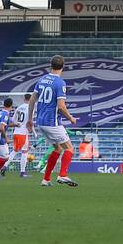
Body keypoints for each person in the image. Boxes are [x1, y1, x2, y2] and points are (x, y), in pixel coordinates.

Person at [31, 55, 79, 188]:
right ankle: (62, 175)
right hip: (52, 122)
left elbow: (32, 100)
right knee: (69, 148)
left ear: (50, 65)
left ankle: (46, 179)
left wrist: (30, 120)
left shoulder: (41, 80)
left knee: (57, 148)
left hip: (40, 122)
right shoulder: (60, 83)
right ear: (63, 66)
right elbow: (61, 106)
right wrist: (70, 118)